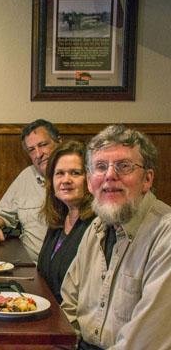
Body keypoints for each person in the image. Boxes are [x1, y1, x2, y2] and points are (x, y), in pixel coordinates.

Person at [61, 125, 171, 349]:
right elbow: (69, 305)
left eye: (124, 166)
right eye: (101, 167)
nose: (110, 175)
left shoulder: (165, 236)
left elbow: (143, 344)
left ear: (147, 179)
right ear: (91, 182)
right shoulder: (96, 228)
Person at [0, 119, 61, 261]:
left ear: (59, 142)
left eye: (43, 145)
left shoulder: (79, 179)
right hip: (31, 269)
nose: (38, 154)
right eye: (31, 150)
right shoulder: (26, 177)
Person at [37, 141, 94, 303]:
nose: (66, 180)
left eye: (75, 173)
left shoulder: (96, 225)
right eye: (59, 173)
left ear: (89, 179)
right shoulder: (59, 220)